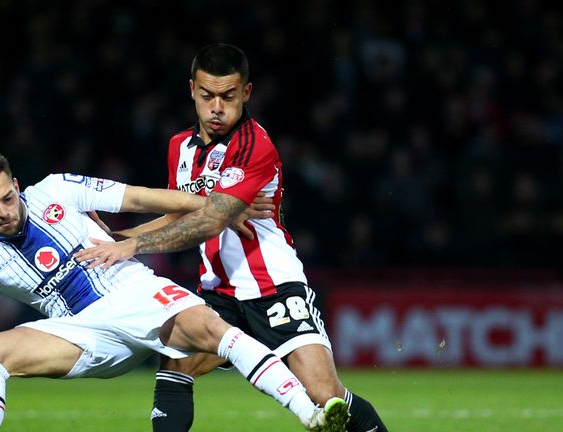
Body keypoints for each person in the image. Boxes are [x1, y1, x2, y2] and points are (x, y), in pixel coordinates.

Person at [75, 43, 388, 432]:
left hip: (274, 287)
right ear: (192, 90)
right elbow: (176, 214)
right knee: (174, 365)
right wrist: (116, 237)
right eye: (207, 96)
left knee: (325, 394)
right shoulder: (179, 147)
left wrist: (133, 246)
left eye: (228, 96)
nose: (217, 107)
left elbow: (209, 222)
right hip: (219, 294)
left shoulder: (254, 145)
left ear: (246, 93)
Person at [0, 149, 347, 432]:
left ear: (16, 184)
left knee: (214, 330)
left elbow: (145, 199)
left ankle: (310, 415)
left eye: (7, 198)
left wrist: (220, 206)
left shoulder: (56, 189)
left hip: (135, 294)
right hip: (84, 333)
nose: (4, 211)